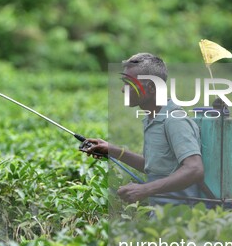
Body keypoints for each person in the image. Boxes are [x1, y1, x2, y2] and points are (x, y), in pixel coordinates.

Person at [85, 52, 204, 205]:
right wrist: (111, 150)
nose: (123, 89)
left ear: (151, 88)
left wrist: (145, 189)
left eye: (129, 84)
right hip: (159, 214)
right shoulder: (151, 119)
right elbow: (155, 168)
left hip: (180, 217)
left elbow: (194, 169)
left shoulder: (174, 120)